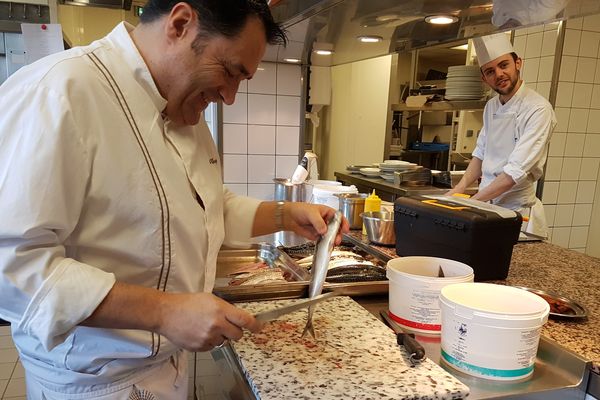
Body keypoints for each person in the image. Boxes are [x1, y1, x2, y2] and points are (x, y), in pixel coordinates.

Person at [0, 0, 349, 398]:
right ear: (181, 24)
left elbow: (206, 207)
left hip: (165, 368)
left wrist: (286, 214)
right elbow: (11, 265)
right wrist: (165, 311)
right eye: (229, 71)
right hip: (91, 386)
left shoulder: (183, 113)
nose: (230, 96)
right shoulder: (58, 91)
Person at [448, 32, 556, 237]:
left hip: (517, 215)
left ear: (518, 63)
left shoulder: (538, 109)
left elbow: (514, 173)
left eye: (503, 65)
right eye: (490, 71)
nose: (498, 74)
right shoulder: (491, 106)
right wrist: (455, 193)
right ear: (484, 78)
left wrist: (470, 203)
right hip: (488, 208)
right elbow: (480, 154)